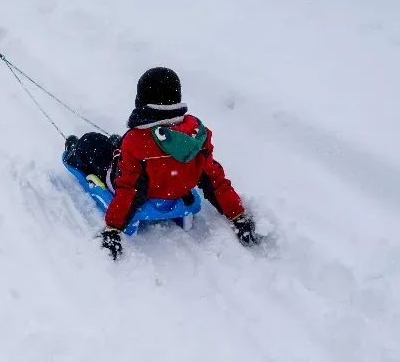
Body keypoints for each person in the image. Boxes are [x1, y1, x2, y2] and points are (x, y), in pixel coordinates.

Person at [64, 67, 259, 260]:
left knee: (92, 141)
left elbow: (129, 190)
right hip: (173, 184)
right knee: (119, 142)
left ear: (142, 100)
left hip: (128, 179)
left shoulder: (137, 140)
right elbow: (215, 180)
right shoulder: (195, 136)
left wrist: (113, 228)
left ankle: (74, 151)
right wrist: (238, 216)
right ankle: (117, 146)